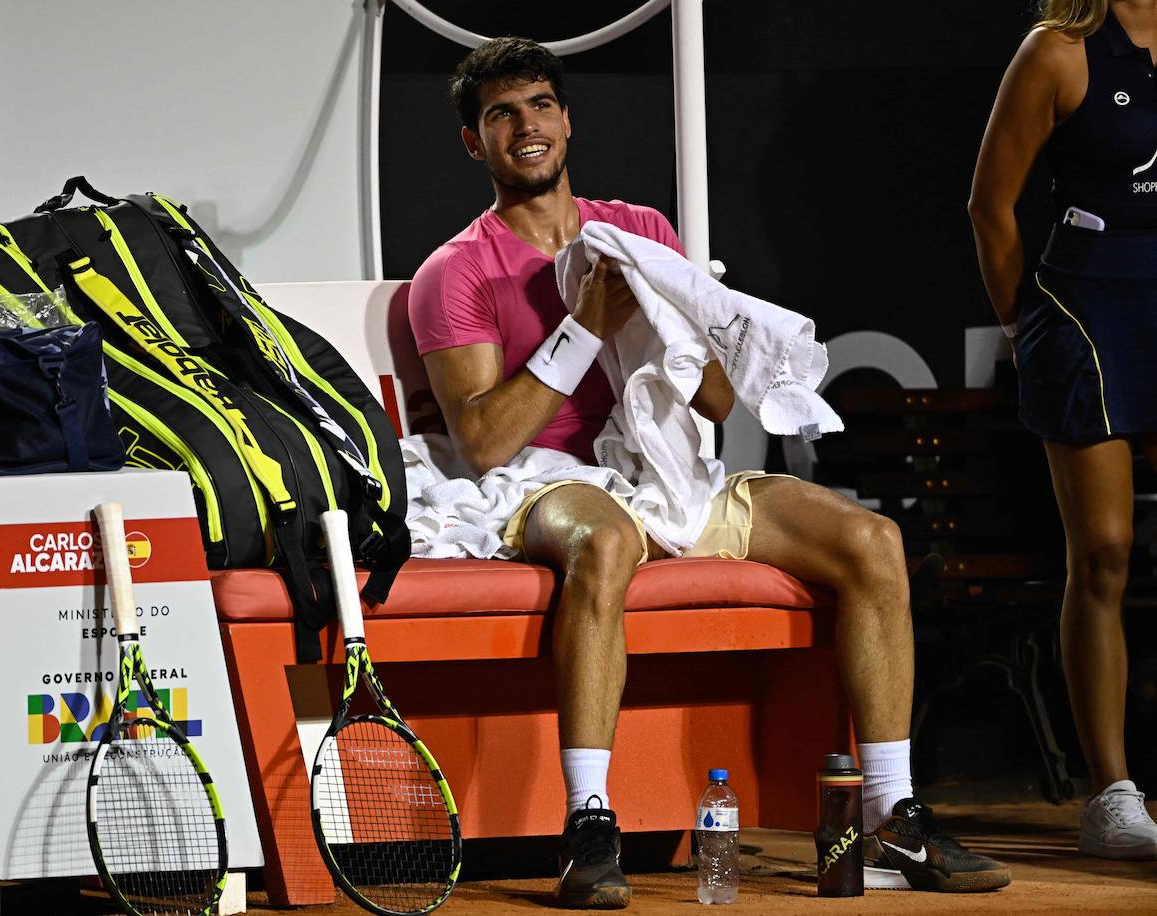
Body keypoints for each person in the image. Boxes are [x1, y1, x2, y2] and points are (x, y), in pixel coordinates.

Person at [410, 36, 1010, 907]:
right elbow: (484, 445)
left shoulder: (644, 233)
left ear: (568, 120)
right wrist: (582, 327)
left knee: (873, 540)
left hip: (673, 475)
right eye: (502, 115)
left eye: (540, 105)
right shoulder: (454, 271)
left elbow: (720, 407)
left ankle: (892, 815)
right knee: (608, 540)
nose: (526, 127)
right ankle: (588, 826)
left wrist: (688, 318)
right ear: (476, 143)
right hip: (547, 482)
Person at [970, 0, 1157, 861]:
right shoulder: (1059, 51)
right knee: (1107, 552)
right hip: (1091, 311)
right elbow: (991, 205)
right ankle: (1111, 792)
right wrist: (1026, 326)